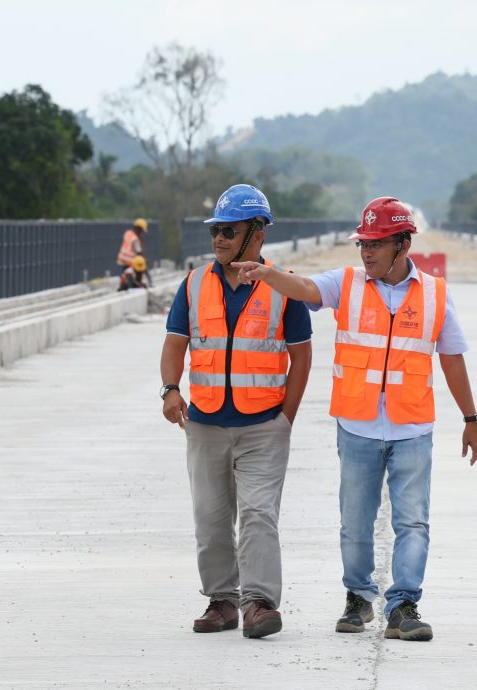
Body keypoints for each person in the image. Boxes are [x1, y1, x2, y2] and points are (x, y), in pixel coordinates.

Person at [232, 196, 477, 642]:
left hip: (411, 429)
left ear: (403, 245)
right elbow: (307, 289)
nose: (366, 252)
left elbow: (453, 360)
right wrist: (271, 275)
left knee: (413, 522)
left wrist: (470, 417)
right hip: (357, 425)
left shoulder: (435, 295)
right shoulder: (346, 283)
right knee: (355, 520)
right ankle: (358, 597)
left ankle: (403, 605)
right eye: (362, 244)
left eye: (377, 244)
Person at [159, 184, 312, 639]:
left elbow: (301, 357)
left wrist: (286, 417)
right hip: (204, 424)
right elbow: (174, 345)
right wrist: (170, 390)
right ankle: (221, 602)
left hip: (264, 426)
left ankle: (259, 603)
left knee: (259, 514)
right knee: (210, 519)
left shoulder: (284, 287)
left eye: (230, 231)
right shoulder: (193, 284)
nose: (219, 239)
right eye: (215, 231)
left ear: (256, 235)